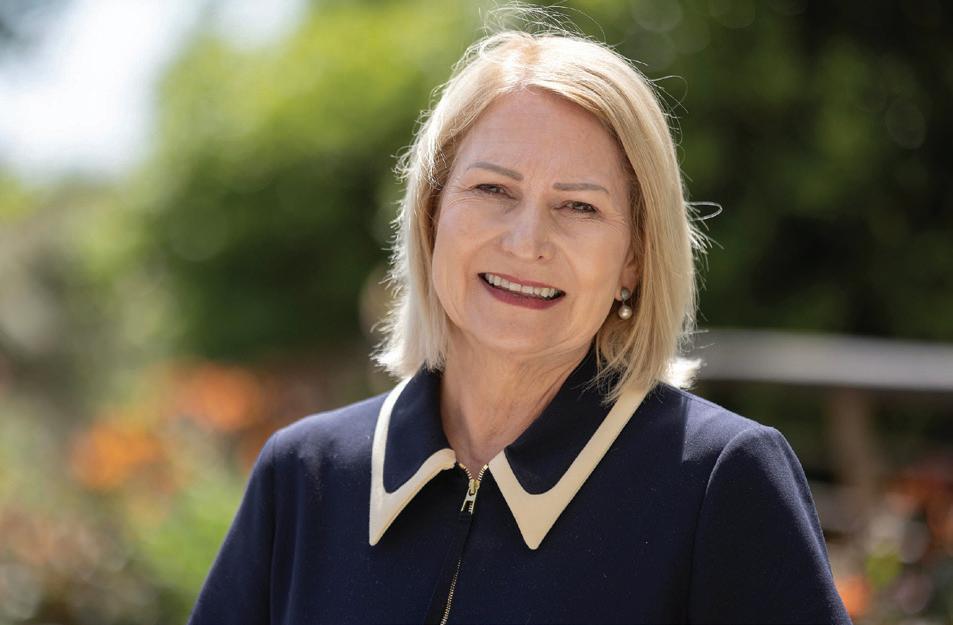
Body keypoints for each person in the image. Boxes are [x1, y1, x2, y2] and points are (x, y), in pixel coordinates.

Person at [187, 25, 851, 625]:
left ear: (634, 258)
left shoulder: (720, 481)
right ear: (431, 216)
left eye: (579, 206)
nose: (526, 242)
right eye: (493, 190)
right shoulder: (302, 475)